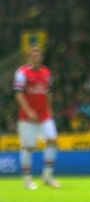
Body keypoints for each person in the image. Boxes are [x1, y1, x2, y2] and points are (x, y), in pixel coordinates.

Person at [14, 46, 60, 190]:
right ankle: (27, 180)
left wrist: (49, 110)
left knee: (52, 140)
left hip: (44, 115)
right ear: (28, 57)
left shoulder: (46, 72)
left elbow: (48, 93)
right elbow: (18, 94)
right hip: (27, 117)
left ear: (41, 57)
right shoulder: (22, 72)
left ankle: (47, 176)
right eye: (33, 54)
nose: (36, 56)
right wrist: (28, 111)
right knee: (28, 147)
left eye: (38, 54)